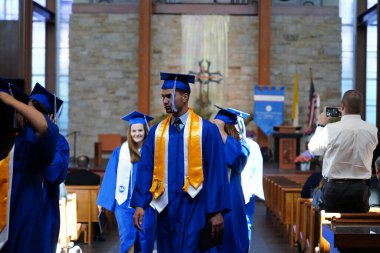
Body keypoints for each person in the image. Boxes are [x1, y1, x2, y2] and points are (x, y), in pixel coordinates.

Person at [131, 72, 230, 253]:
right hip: (165, 206)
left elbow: (217, 172)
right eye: (163, 97)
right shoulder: (157, 132)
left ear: (185, 97)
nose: (165, 101)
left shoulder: (206, 131)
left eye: (169, 96)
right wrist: (140, 203)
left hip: (195, 205)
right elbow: (146, 169)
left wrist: (217, 211)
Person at [0, 82, 59, 252]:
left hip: (26, 200)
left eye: (27, 108)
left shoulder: (48, 132)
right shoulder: (19, 136)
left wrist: (10, 100)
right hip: (11, 199)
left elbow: (42, 125)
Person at [308, 90, 378, 213]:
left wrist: (320, 125)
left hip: (334, 191)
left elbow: (314, 150)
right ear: (360, 107)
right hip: (360, 191)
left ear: (342, 107)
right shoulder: (372, 130)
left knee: (314, 195)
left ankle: (322, 232)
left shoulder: (330, 129)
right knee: (356, 223)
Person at [97, 111, 156, 253]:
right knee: (127, 238)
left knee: (145, 238)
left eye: (140, 130)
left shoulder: (152, 151)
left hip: (146, 204)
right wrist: (103, 201)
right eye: (134, 131)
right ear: (130, 132)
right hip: (124, 204)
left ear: (145, 131)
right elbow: (112, 175)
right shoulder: (120, 151)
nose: (137, 134)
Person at [28, 83, 70, 253]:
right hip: (22, 208)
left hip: (45, 209)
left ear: (50, 117)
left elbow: (55, 174)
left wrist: (47, 140)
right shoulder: (20, 138)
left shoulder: (60, 143)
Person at [211, 106, 250, 253]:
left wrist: (220, 131)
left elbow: (237, 158)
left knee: (232, 241)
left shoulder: (242, 147)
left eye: (218, 127)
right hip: (211, 203)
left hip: (231, 204)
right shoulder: (210, 145)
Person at [237, 117, 265, 246]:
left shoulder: (252, 145)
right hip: (238, 191)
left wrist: (251, 190)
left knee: (246, 224)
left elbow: (257, 169)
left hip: (245, 191)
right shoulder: (251, 145)